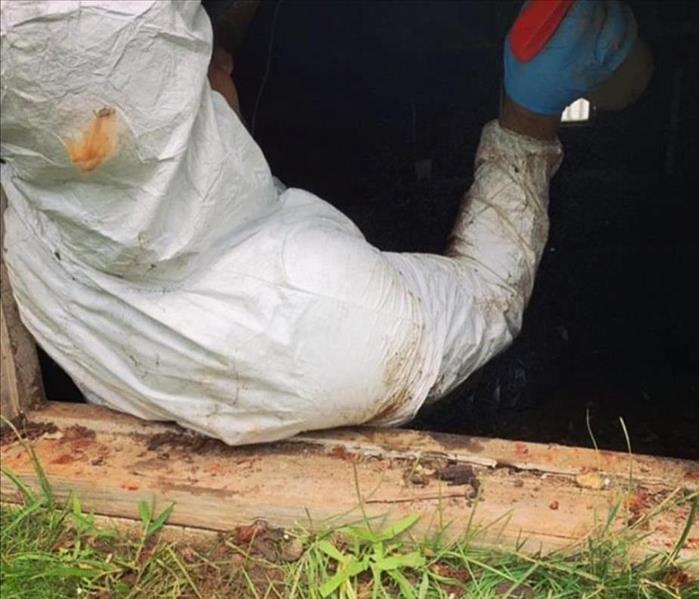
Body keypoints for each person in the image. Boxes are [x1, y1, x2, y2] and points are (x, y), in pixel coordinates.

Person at [0, 1, 637, 445]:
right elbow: (488, 296)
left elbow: (95, 74)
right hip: (319, 354)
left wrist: (222, 32)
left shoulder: (26, 226)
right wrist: (529, 115)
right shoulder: (328, 307)